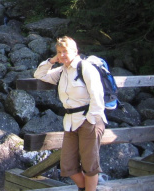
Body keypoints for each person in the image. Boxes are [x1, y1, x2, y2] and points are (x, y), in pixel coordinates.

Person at [34, 36, 106, 191]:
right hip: (70, 122)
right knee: (67, 165)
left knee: (90, 164)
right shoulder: (62, 71)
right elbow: (39, 75)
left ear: (75, 51)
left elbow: (97, 95)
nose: (62, 55)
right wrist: (53, 60)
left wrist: (91, 120)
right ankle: (84, 188)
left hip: (88, 120)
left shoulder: (85, 67)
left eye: (65, 51)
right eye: (59, 52)